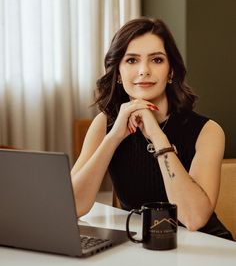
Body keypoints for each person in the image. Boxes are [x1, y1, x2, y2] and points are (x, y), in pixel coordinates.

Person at [71, 17, 234, 240]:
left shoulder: (208, 131)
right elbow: (72, 206)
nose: (143, 70)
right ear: (118, 73)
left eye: (156, 60)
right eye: (131, 61)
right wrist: (114, 136)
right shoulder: (104, 124)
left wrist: (157, 136)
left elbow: (194, 219)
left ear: (171, 72)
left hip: (206, 249)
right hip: (144, 251)